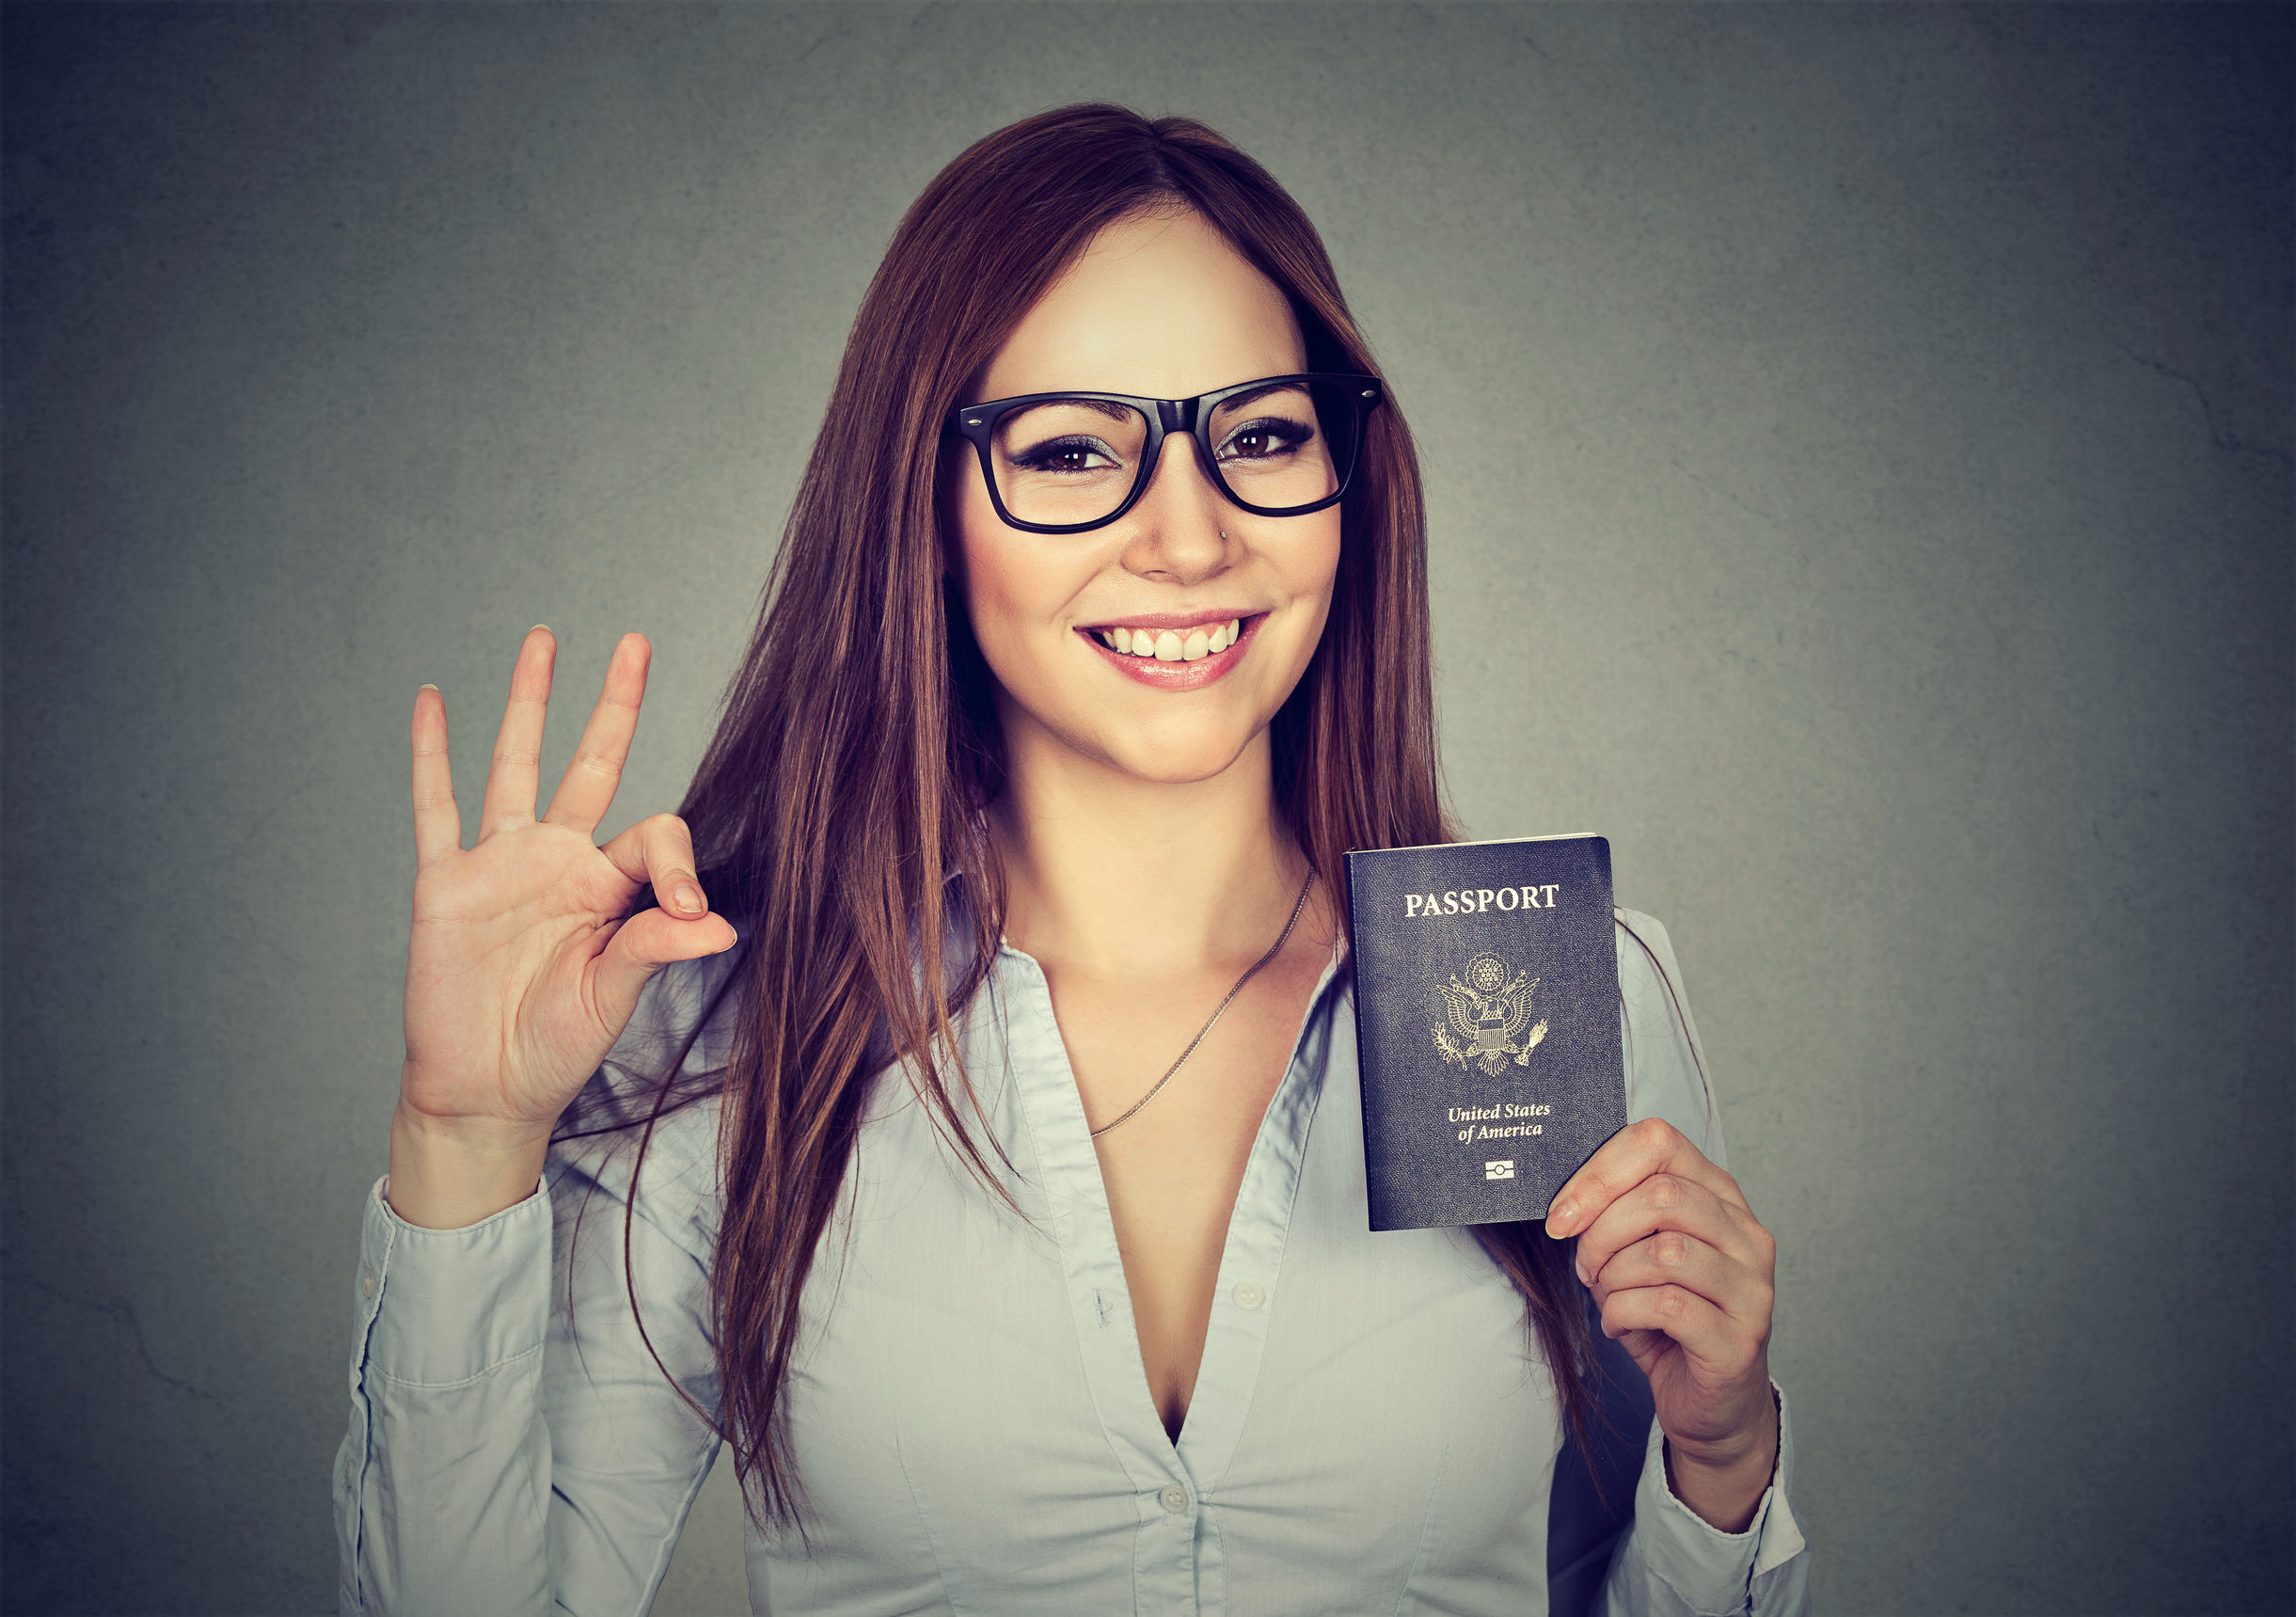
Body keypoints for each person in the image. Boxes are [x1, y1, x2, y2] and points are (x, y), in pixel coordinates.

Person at [333, 103, 1811, 1616]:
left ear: (1348, 481)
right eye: (1067, 451)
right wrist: (461, 1139)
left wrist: (1722, 1457)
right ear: (926, 504)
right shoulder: (733, 1021)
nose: (1187, 536)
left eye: (1259, 436)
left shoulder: (1565, 994)